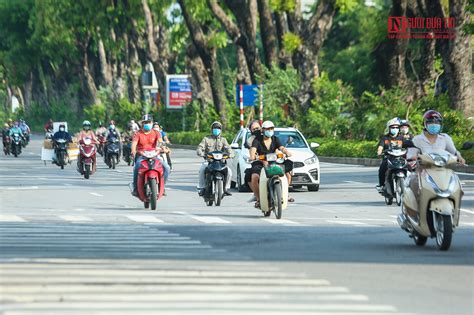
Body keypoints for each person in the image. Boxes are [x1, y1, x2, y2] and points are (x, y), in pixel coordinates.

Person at [248, 120, 293, 208]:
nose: (270, 130)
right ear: (263, 130)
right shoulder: (257, 140)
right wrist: (252, 156)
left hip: (274, 161)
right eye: (267, 129)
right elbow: (253, 150)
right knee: (254, 177)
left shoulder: (275, 139)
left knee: (287, 173)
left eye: (271, 128)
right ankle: (258, 199)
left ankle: (284, 194)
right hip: (261, 162)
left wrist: (286, 152)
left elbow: (281, 147)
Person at [130, 114, 166, 196]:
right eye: (145, 122)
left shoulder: (156, 133)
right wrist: (133, 151)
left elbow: (160, 142)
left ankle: (162, 187)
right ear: (142, 123)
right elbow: (134, 144)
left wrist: (163, 148)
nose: (147, 124)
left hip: (154, 155)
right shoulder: (138, 133)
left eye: (148, 122)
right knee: (137, 167)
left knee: (166, 167)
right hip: (141, 156)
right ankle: (135, 188)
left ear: (152, 123)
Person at [196, 121, 233, 197]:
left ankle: (226, 188)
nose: (216, 130)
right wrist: (201, 153)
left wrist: (231, 154)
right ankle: (202, 188)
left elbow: (229, 149)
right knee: (202, 170)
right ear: (212, 129)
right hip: (209, 161)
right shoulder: (206, 139)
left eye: (218, 128)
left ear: (221, 130)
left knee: (229, 171)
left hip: (221, 162)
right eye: (215, 128)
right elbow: (200, 147)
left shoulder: (223, 140)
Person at [376, 117, 404, 193]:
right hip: (388, 158)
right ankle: (381, 185)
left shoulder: (402, 138)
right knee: (382, 169)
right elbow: (380, 147)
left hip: (400, 159)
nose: (395, 129)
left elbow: (408, 145)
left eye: (396, 127)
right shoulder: (385, 138)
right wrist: (379, 151)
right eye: (393, 127)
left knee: (409, 168)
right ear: (389, 128)